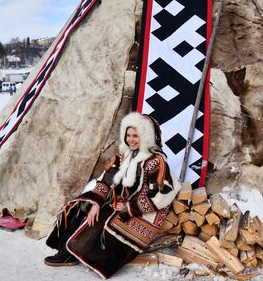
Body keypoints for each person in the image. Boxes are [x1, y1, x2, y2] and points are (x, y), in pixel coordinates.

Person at [44, 112, 180, 279]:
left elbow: (162, 194)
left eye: (136, 136)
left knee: (104, 216)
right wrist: (95, 203)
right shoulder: (123, 156)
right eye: (128, 135)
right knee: (82, 205)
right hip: (121, 202)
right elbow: (105, 180)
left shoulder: (156, 161)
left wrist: (129, 208)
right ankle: (67, 246)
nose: (131, 140)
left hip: (143, 213)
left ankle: (71, 252)